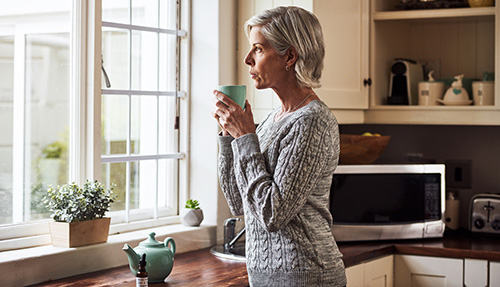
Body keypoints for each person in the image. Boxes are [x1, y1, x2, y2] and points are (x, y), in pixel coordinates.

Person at [212, 6, 347, 287]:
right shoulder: (272, 120)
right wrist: (229, 137)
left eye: (258, 49)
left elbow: (273, 214)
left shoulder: (312, 122)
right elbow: (239, 203)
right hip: (264, 278)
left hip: (307, 277)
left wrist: (246, 138)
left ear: (290, 56)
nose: (248, 59)